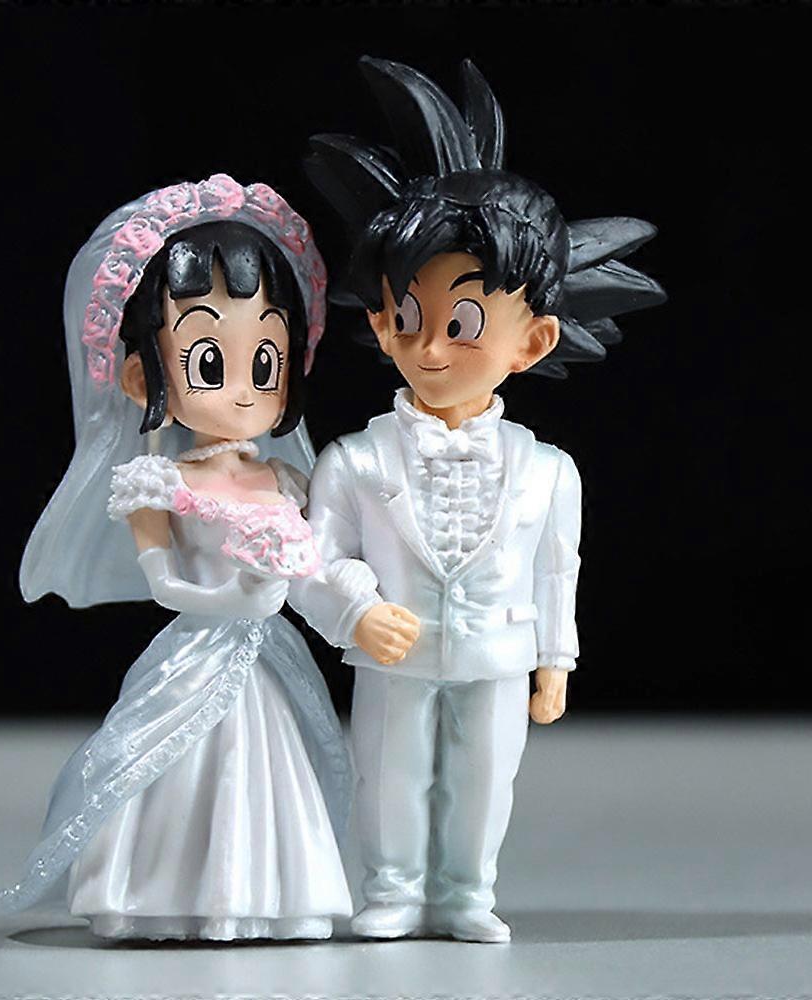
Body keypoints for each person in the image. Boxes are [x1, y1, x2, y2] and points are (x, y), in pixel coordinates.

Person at [291, 58, 666, 942]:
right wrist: (355, 607)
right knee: (389, 772)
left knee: (485, 775)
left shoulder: (548, 471)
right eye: (407, 318)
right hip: (393, 657)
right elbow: (310, 557)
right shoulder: (353, 461)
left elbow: (558, 569)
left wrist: (556, 661)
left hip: (498, 652)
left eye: (461, 325)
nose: (429, 349)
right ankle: (391, 887)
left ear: (532, 341)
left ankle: (465, 890)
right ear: (381, 323)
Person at [0, 174, 352, 942]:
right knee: (174, 765)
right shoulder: (161, 483)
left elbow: (315, 569)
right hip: (198, 649)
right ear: (141, 376)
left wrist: (341, 609)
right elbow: (163, 582)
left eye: (265, 363)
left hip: (265, 657)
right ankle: (151, 892)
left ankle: (267, 895)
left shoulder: (285, 480)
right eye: (209, 364)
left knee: (266, 769)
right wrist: (232, 600)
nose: (243, 393)